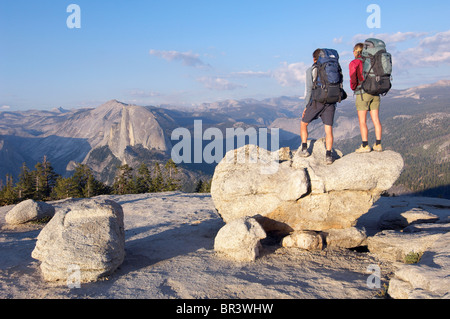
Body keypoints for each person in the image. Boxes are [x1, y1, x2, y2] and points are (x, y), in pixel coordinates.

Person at [300, 49, 336, 165]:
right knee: (328, 129)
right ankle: (329, 156)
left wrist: (306, 106)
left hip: (317, 101)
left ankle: (304, 149)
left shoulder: (311, 69)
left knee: (303, 123)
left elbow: (309, 89)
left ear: (314, 58)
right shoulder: (333, 67)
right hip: (330, 101)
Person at [349, 43, 383, 153]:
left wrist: (354, 88)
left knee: (362, 121)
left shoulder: (355, 62)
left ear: (356, 51)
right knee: (376, 120)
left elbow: (353, 79)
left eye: (353, 50)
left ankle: (365, 145)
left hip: (363, 93)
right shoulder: (373, 61)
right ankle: (378, 144)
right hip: (375, 92)